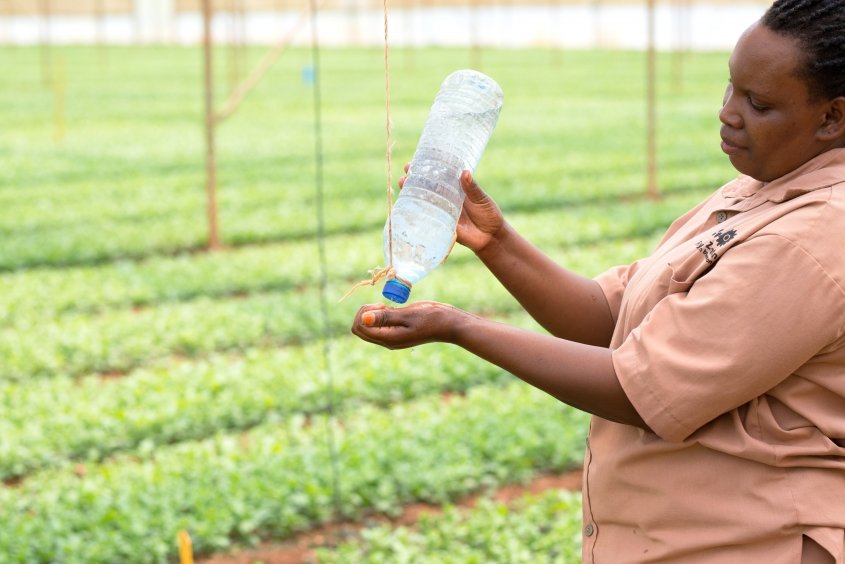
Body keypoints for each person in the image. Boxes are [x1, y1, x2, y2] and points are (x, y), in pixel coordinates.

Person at [352, 0, 845, 561]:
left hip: (751, 542)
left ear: (832, 117)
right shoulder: (760, 189)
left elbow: (641, 388)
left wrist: (459, 327)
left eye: (758, 104)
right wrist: (495, 240)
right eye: (730, 89)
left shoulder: (815, 236)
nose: (728, 113)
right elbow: (609, 316)